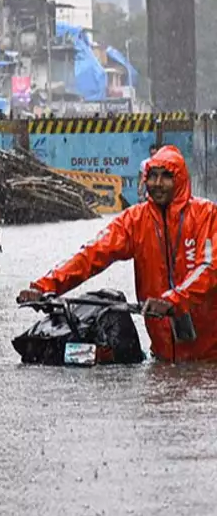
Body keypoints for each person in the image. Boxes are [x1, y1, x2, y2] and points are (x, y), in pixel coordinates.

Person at [17, 145, 217, 362]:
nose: (158, 184)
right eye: (152, 176)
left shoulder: (205, 215)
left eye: (166, 176)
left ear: (180, 180)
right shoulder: (135, 221)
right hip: (163, 358)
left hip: (210, 357)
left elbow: (209, 268)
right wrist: (44, 287)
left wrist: (173, 300)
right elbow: (92, 254)